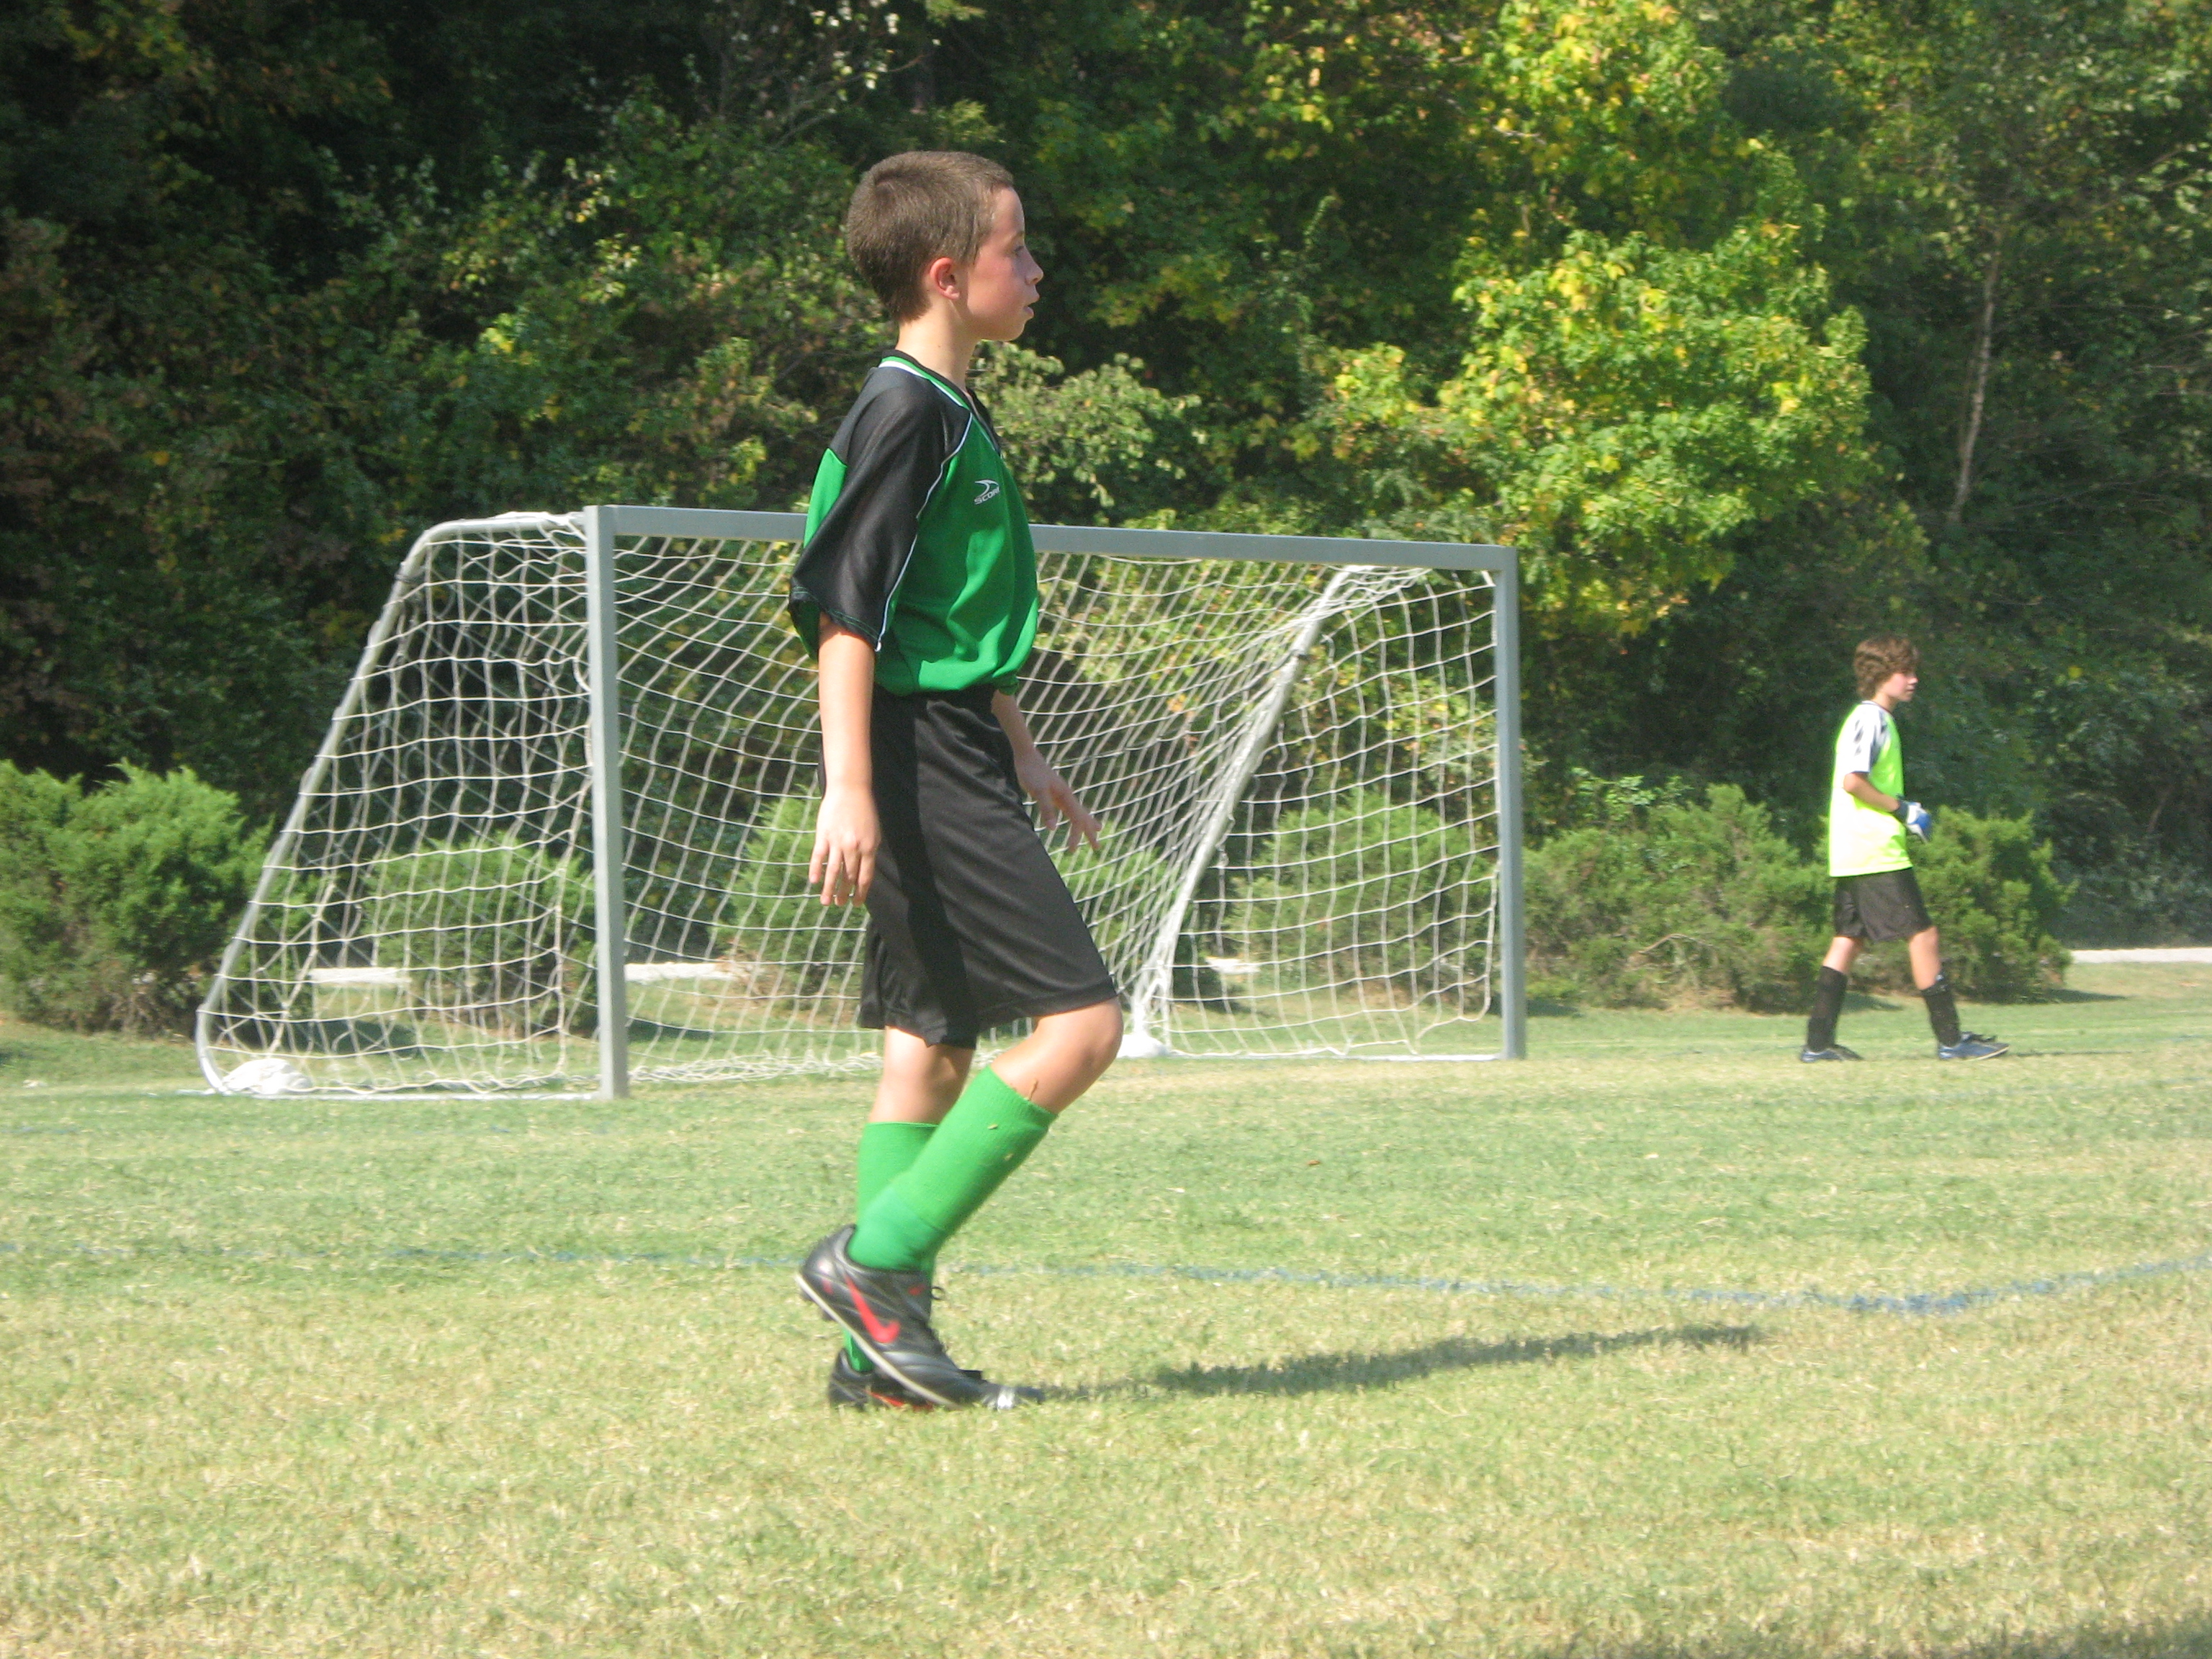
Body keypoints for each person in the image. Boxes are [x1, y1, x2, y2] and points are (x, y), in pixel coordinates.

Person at [786, 152, 1123, 1410]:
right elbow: (847, 613)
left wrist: (1018, 742)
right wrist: (852, 785)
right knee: (1082, 1028)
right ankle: (875, 1264)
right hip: (913, 756)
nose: (1034, 270)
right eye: (1013, 249)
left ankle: (878, 1361)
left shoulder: (949, 406)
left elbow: (941, 612)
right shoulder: (907, 414)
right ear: (946, 274)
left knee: (928, 1049)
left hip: (951, 740)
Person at [1802, 634, 2008, 1063]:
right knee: (1923, 934)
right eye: (1905, 672)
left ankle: (1818, 1045)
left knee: (1848, 940)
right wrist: (1903, 810)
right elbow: (1853, 781)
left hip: (1853, 849)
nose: (1913, 680)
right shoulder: (1871, 719)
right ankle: (1951, 1040)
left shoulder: (1876, 719)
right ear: (1881, 675)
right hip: (1875, 849)